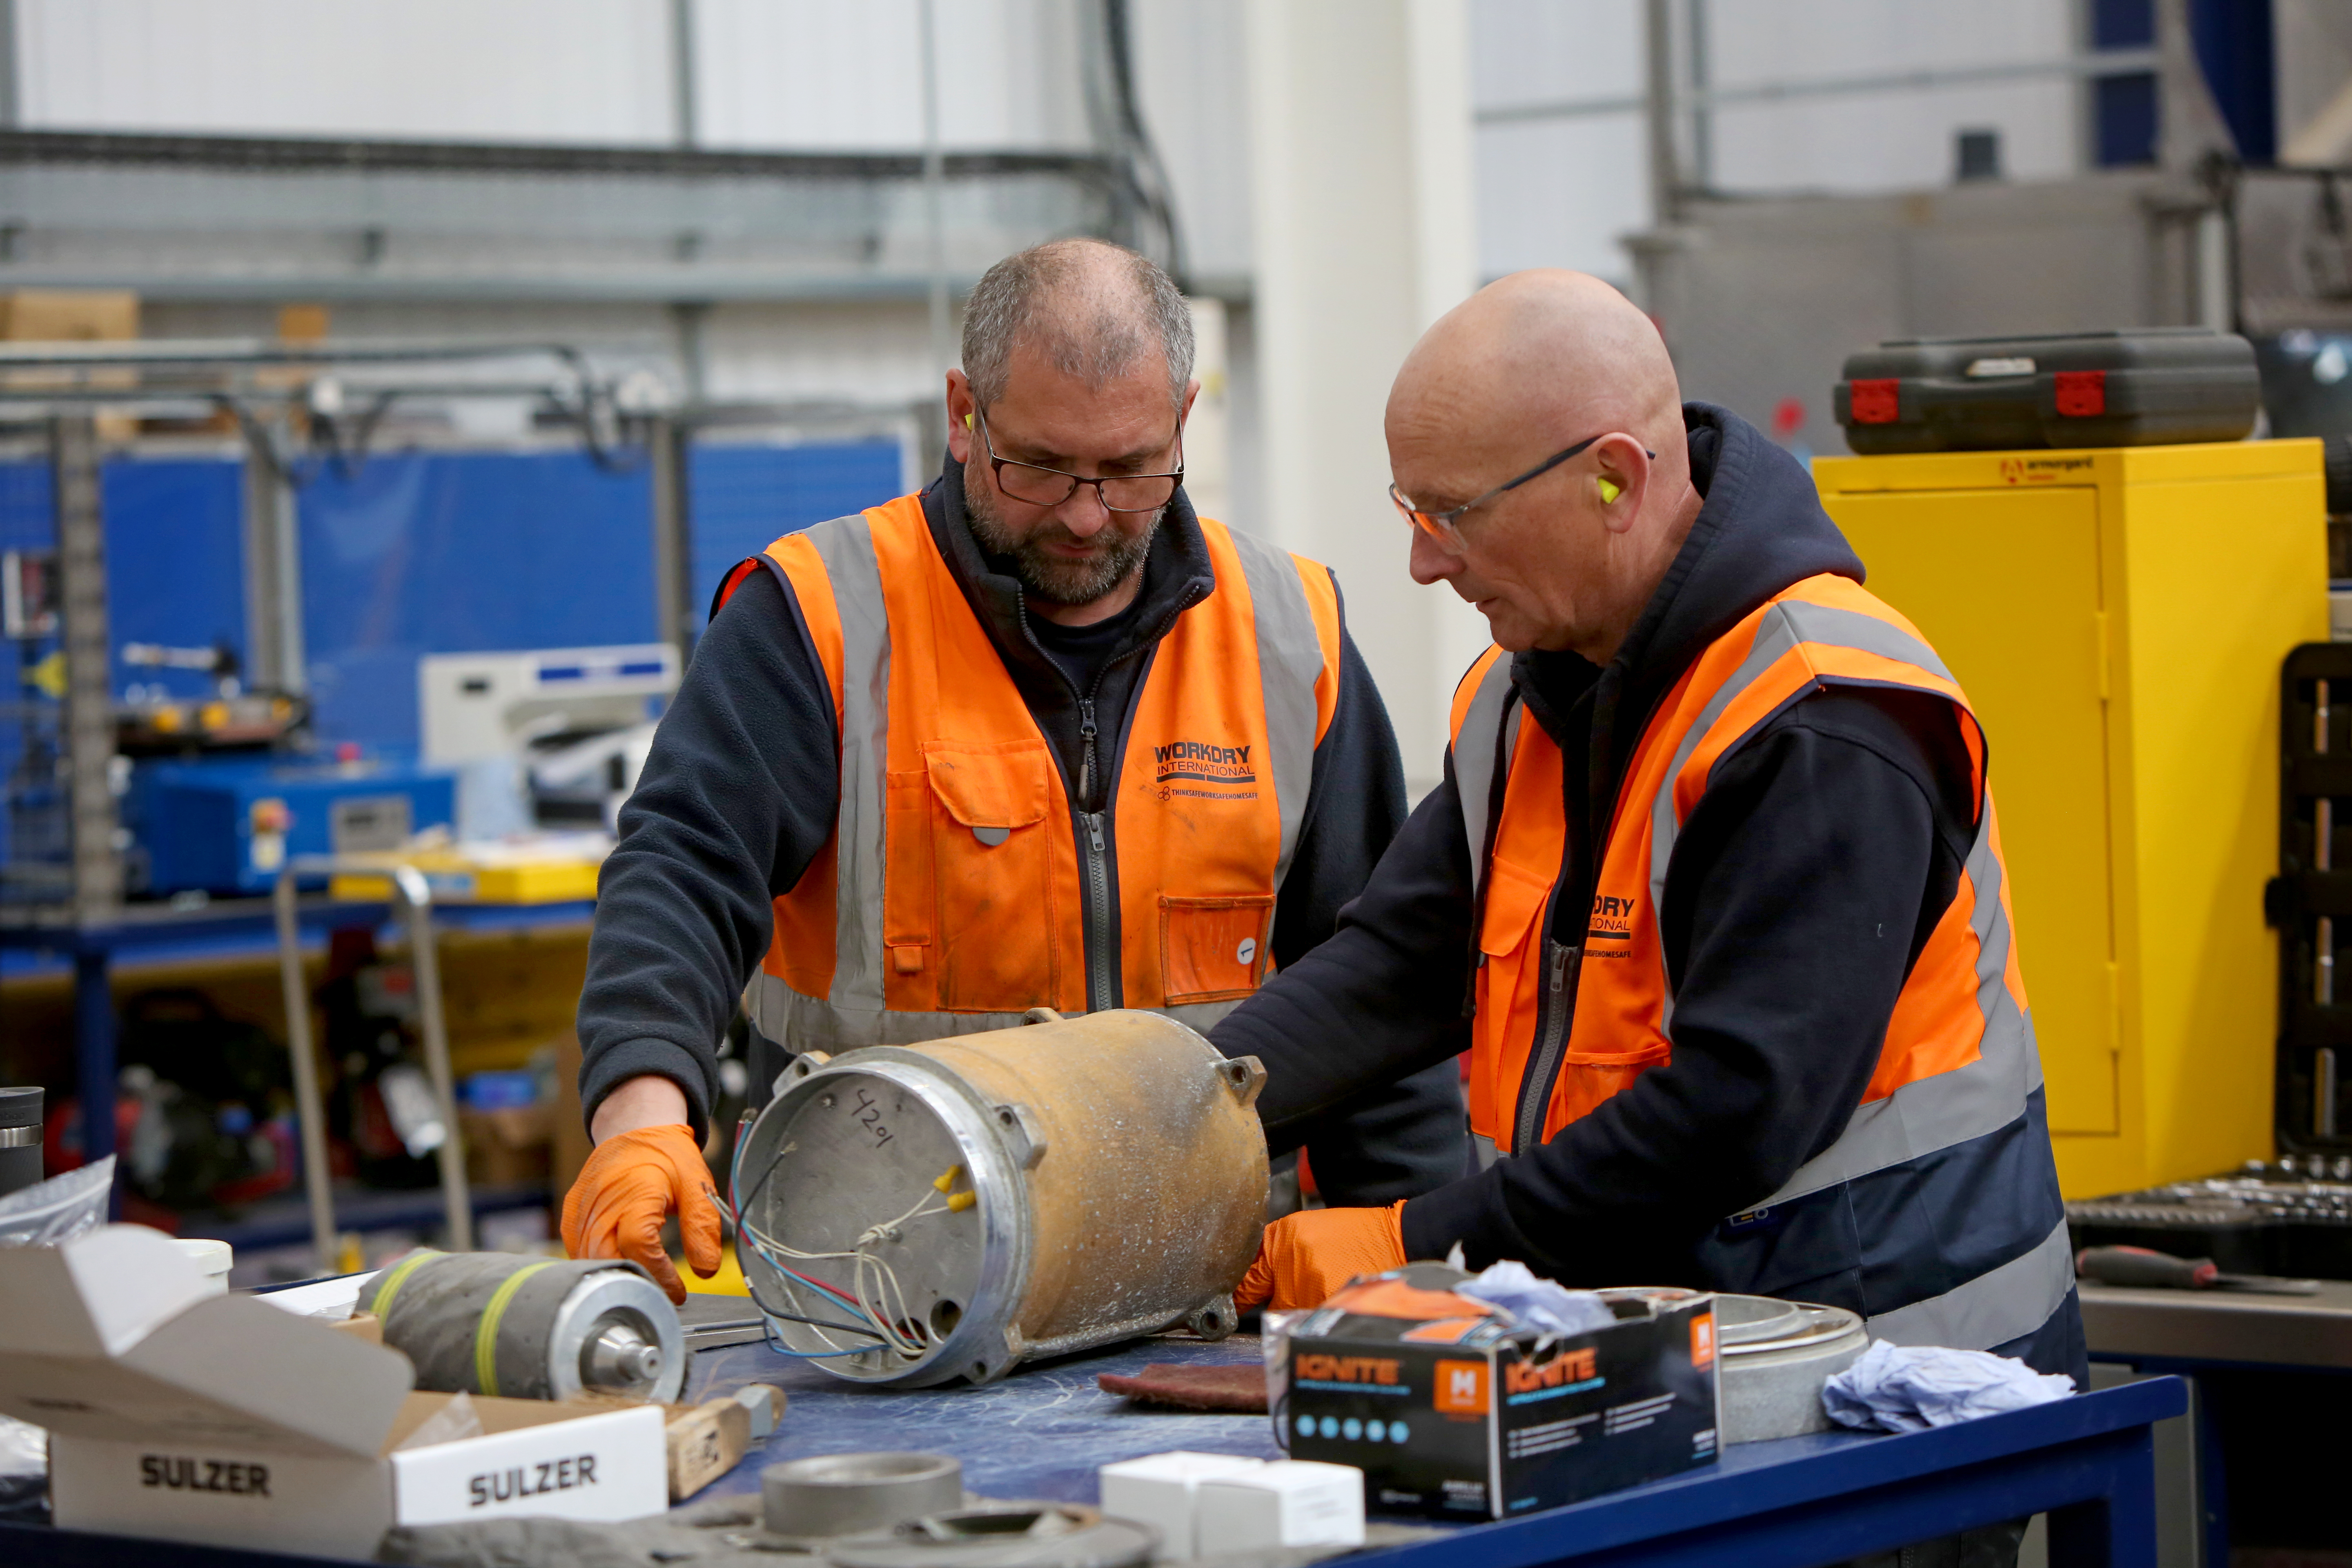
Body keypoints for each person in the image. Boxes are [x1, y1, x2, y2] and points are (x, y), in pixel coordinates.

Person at [1218, 270, 2085, 1389]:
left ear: (1614, 481)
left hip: (1887, 1390)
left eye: (1454, 514)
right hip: (1673, 1365)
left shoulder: (1823, 716)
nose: (1426, 560)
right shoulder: (1529, 697)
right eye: (1411, 511)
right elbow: (1397, 965)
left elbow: (1734, 1112)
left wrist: (1411, 1244)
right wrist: (1171, 1104)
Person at [562, 238, 1466, 1301]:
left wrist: (1411, 1265)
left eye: (1131, 469)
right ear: (963, 412)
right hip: (882, 1289)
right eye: (1038, 466)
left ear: (1182, 420)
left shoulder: (1286, 633)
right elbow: (681, 871)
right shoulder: (821, 619)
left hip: (1216, 1284)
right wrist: (641, 1109)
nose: (1086, 515)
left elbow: (1378, 981)